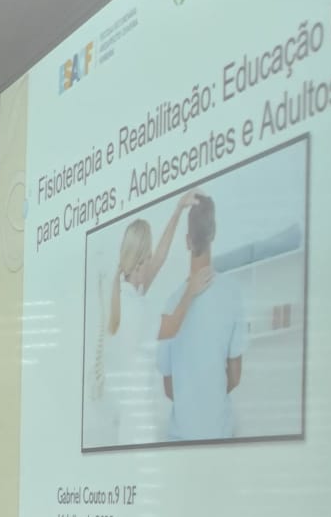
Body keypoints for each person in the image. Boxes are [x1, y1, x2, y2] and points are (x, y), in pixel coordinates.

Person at [93, 190, 212, 446]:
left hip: (130, 424)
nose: (152, 261)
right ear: (140, 261)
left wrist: (177, 210)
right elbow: (171, 326)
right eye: (148, 257)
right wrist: (191, 291)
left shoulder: (125, 293)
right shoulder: (134, 310)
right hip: (139, 426)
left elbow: (160, 257)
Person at [157, 192, 246, 442]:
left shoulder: (171, 304)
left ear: (187, 241)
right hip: (219, 435)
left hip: (180, 439)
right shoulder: (233, 293)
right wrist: (209, 398)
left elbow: (169, 388)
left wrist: (192, 400)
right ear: (213, 233)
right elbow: (235, 377)